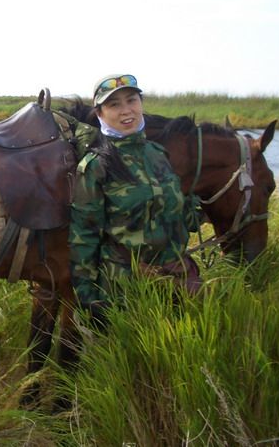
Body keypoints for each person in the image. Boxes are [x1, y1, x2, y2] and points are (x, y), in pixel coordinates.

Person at [68, 73, 201, 325]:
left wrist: (192, 211)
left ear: (141, 104)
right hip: (123, 289)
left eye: (131, 100)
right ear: (99, 114)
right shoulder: (97, 166)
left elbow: (178, 217)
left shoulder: (159, 155)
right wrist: (86, 295)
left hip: (176, 281)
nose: (126, 111)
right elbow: (83, 235)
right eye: (114, 104)